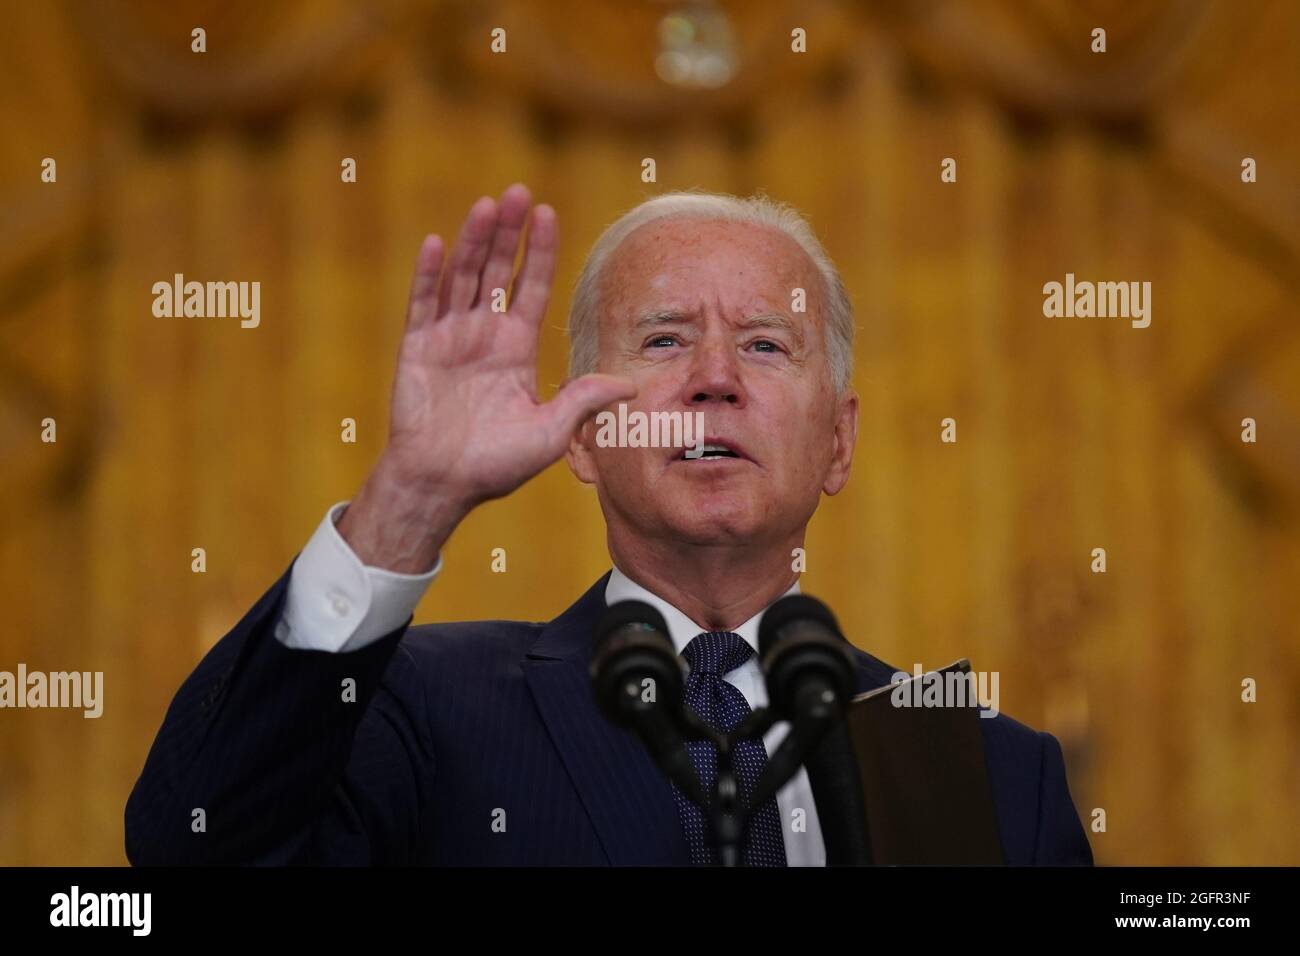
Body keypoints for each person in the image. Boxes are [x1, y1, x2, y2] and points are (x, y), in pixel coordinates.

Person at [125, 184, 1093, 866]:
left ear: (837, 442)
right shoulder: (416, 707)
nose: (715, 377)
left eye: (765, 343)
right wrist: (409, 498)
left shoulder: (990, 769)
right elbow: (192, 843)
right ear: (586, 432)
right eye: (664, 338)